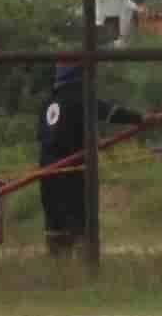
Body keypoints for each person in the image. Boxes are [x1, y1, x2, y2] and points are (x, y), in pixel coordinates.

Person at [36, 52, 142, 258]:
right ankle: (87, 266)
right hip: (71, 168)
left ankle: (56, 267)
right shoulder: (80, 98)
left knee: (54, 221)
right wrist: (140, 119)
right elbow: (110, 112)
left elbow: (47, 136)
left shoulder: (48, 103)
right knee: (79, 220)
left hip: (47, 169)